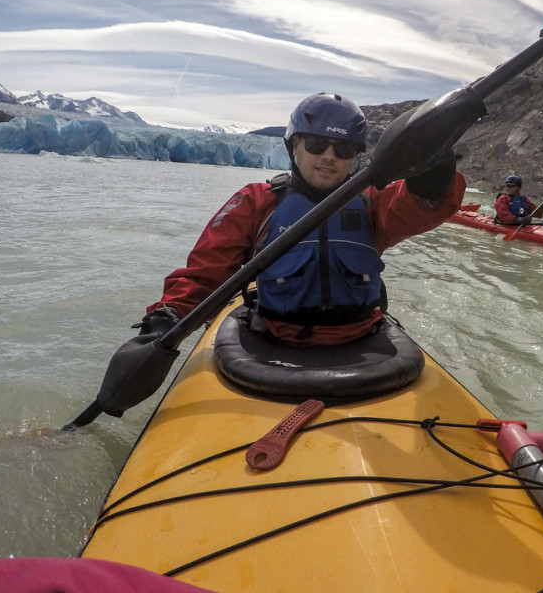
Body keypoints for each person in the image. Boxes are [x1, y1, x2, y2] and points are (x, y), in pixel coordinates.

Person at [95, 93, 465, 417]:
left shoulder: (374, 205)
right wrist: (166, 316)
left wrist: (433, 166)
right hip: (274, 342)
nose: (329, 157)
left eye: (343, 150)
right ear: (294, 146)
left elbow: (425, 204)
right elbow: (205, 273)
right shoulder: (256, 202)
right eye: (317, 145)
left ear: (355, 157)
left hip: (361, 341)